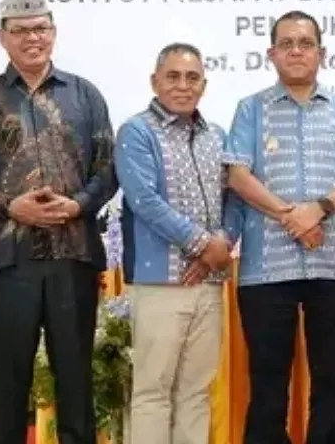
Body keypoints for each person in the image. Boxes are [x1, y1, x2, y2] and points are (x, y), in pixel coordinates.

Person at [0, 0, 118, 444]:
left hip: (74, 253)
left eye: (40, 27)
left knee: (75, 374)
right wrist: (11, 206)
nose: (32, 38)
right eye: (21, 30)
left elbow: (108, 168)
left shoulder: (85, 94)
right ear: (3, 37)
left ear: (54, 32)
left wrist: (79, 203)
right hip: (9, 258)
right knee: (8, 377)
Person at [224, 10, 335, 444]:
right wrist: (294, 215)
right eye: (286, 43)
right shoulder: (250, 109)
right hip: (266, 269)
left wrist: (322, 208)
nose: (296, 50)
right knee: (268, 384)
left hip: (333, 266)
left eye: (305, 43)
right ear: (271, 53)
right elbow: (237, 174)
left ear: (321, 53)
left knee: (330, 383)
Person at [116, 43, 241, 444]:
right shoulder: (137, 131)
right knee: (153, 392)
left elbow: (234, 199)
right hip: (158, 284)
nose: (183, 86)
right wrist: (204, 244)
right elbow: (144, 200)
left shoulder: (216, 136)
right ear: (155, 81)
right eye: (173, 76)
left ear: (204, 85)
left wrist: (219, 244)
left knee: (196, 392)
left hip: (207, 282)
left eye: (192, 78)